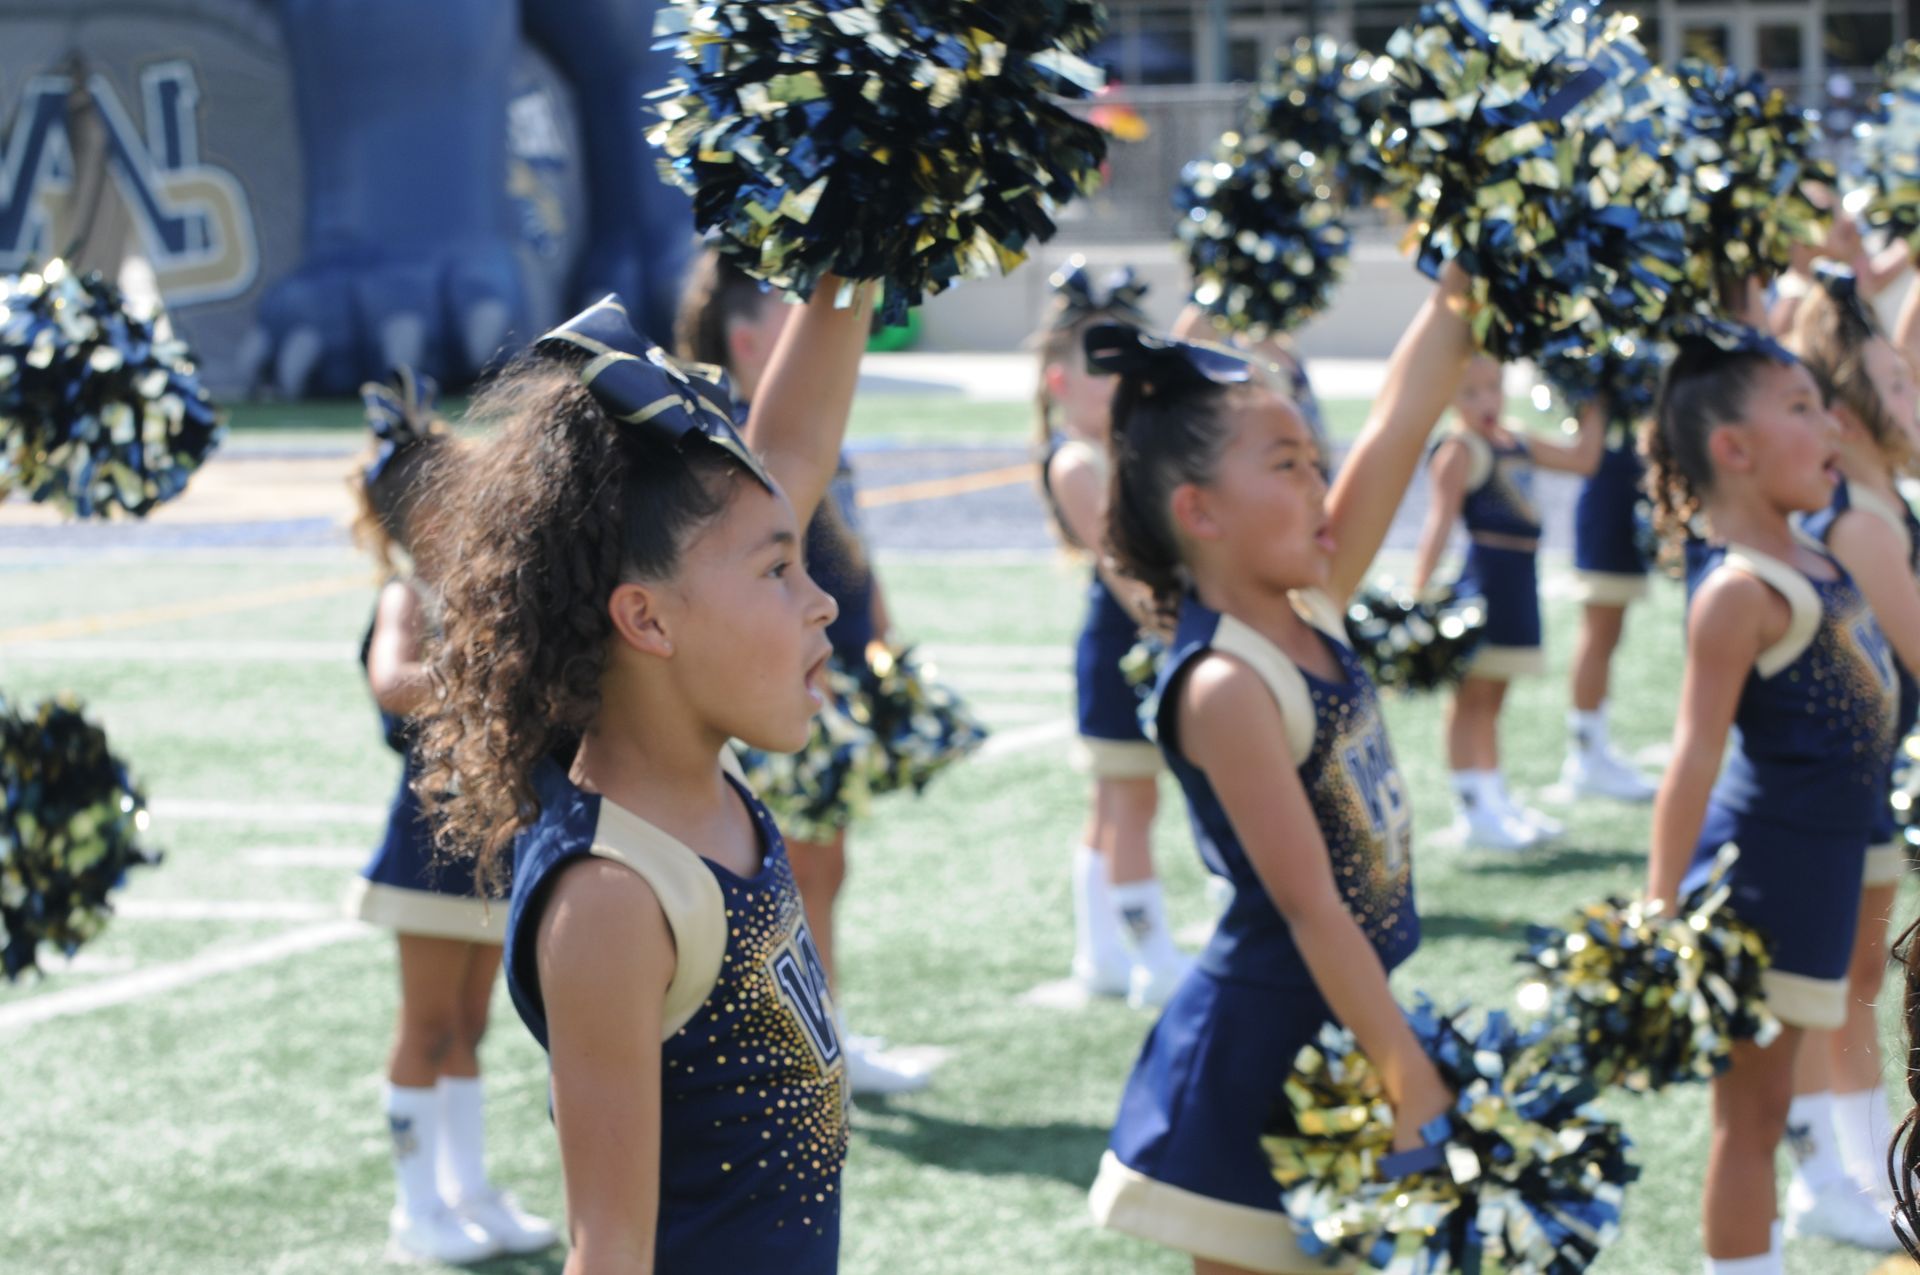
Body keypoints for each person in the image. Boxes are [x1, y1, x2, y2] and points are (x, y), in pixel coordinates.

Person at [415, 283, 870, 1271]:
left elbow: (791, 448)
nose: (821, 603)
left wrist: (855, 240)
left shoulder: (697, 773)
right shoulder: (613, 900)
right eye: (778, 574)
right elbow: (609, 1250)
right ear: (649, 622)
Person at [1086, 268, 1473, 1274]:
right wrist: (1406, 1076)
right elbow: (1311, 910)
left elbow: (1401, 419)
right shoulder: (1225, 684)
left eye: (1314, 457)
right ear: (1200, 513)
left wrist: (1463, 287)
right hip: (1261, 1051)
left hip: (1343, 1021)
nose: (1321, 480)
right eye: (1289, 464)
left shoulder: (1309, 609)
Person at [1643, 321, 1901, 1271]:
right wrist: (1660, 909)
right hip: (1765, 888)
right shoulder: (1741, 591)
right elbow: (1693, 757)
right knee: (1746, 1122)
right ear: (1733, 450)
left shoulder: (1822, 558)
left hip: (1826, 869)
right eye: (1800, 407)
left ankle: (1831, 1190)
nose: (1829, 420)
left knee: (1774, 1098)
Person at [675, 249, 930, 1093]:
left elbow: (848, 546)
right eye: (792, 318)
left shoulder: (816, 440)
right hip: (790, 676)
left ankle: (826, 1024)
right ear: (748, 343)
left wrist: (879, 622)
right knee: (803, 864)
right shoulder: (748, 454)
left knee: (827, 861)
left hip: (838, 663)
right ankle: (812, 1034)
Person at [341, 369, 556, 1265]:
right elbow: (392, 683)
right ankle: (413, 1206)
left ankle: (468, 1189)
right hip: (429, 842)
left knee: (470, 1024)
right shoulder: (410, 597)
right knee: (426, 1025)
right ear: (418, 514)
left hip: (489, 838)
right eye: (460, 495)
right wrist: (490, 678)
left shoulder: (482, 595)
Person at [1781, 267, 1920, 1245]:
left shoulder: (1886, 500)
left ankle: (1856, 1166)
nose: (1917, 390)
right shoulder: (1865, 523)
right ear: (1856, 416)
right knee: (1849, 982)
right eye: (1902, 384)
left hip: (1871, 773)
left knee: (1858, 977)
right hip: (1843, 782)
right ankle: (1859, 1175)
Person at [1035, 257, 1190, 1007]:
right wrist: (1176, 630)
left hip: (1132, 641)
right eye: (1100, 368)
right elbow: (1123, 567)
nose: (1118, 381)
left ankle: (1099, 956)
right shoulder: (1075, 459)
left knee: (1116, 805)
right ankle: (1150, 953)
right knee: (1131, 806)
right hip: (1123, 645)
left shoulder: (1118, 447)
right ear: (1059, 381)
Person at [1408, 356, 1602, 850]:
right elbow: (1439, 524)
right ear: (1449, 398)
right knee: (1470, 697)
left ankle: (1496, 798)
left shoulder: (1516, 439)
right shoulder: (1458, 448)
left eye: (1493, 388)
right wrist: (1419, 596)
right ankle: (1472, 806)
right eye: (1470, 393)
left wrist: (1595, 392)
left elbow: (1584, 459)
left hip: (1519, 580)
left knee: (1494, 699)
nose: (1486, 402)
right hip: (1484, 580)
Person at [1559, 355, 1665, 802]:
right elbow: (1590, 444)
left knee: (1610, 631)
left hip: (1628, 501)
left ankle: (1594, 745)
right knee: (1599, 630)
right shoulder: (1596, 358)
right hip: (1606, 506)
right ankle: (1585, 752)